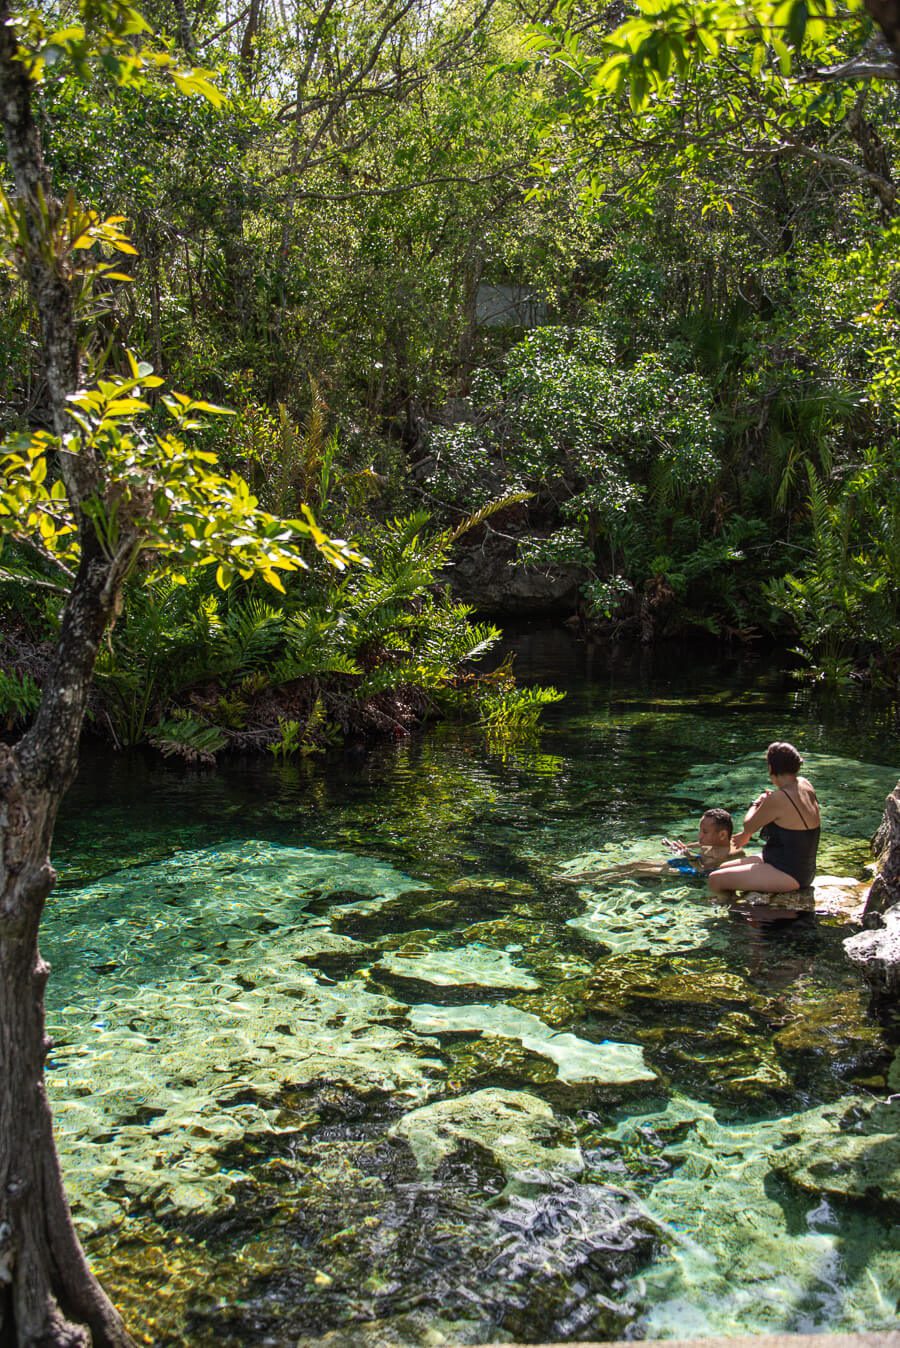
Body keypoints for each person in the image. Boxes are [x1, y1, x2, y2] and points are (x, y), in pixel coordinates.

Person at [707, 741, 820, 897]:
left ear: (771, 768)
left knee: (715, 879)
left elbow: (748, 826)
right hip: (798, 866)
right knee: (722, 868)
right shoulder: (805, 784)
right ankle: (736, 907)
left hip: (789, 873)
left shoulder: (778, 798)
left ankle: (731, 916)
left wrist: (757, 803)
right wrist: (768, 803)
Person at [566, 808, 740, 882]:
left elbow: (703, 869)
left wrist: (687, 855)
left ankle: (591, 883)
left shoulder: (730, 854)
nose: (700, 836)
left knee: (637, 871)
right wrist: (681, 847)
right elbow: (701, 846)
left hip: (694, 871)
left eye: (705, 832)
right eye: (700, 830)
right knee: (632, 864)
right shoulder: (715, 842)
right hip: (691, 861)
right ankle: (582, 875)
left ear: (723, 834)